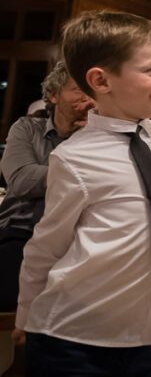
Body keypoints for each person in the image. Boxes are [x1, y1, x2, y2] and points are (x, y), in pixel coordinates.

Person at [16, 11, 151, 375]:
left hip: (138, 332)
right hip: (71, 337)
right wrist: (25, 316)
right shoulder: (75, 156)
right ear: (100, 80)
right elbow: (47, 247)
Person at [0, 62, 93, 312]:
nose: (89, 99)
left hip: (74, 241)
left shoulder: (98, 140)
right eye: (79, 90)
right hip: (19, 231)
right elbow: (20, 180)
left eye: (92, 92)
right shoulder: (27, 129)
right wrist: (84, 174)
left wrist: (87, 142)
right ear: (54, 94)